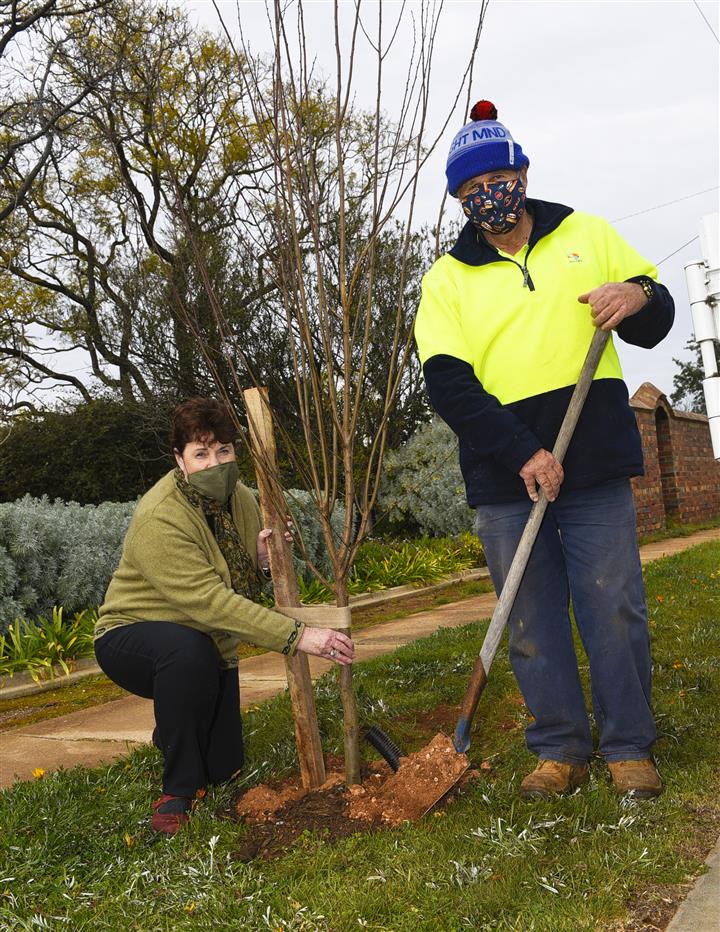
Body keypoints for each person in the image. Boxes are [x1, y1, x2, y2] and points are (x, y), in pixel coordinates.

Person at [414, 100, 674, 800]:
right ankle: (559, 749)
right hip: (507, 477)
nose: (487, 196)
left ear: (522, 173)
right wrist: (523, 452)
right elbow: (449, 385)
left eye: (497, 179)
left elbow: (657, 313)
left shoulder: (586, 233)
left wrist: (637, 296)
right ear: (460, 200)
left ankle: (627, 746)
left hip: (591, 459)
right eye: (471, 191)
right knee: (529, 622)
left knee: (613, 604)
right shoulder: (446, 280)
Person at [95, 397, 354, 834]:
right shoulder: (160, 516)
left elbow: (244, 578)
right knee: (186, 655)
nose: (215, 462)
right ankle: (177, 791)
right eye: (201, 453)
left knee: (225, 766)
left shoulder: (244, 498)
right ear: (180, 459)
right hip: (133, 636)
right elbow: (211, 602)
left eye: (224, 451)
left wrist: (266, 558)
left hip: (205, 640)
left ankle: (177, 725)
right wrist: (299, 636)